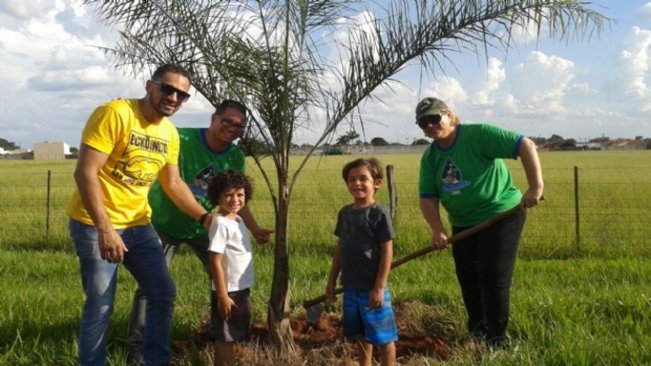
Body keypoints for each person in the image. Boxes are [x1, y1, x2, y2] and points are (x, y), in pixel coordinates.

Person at [66, 63, 213, 365]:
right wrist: (105, 229)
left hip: (138, 225)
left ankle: (154, 360)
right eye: (168, 88)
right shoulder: (115, 113)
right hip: (96, 225)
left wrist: (206, 219)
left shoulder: (168, 133)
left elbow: (173, 184)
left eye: (182, 95)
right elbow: (85, 172)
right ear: (150, 86)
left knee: (161, 292)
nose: (173, 97)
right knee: (101, 304)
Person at [127, 100, 272, 363]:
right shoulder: (180, 137)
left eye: (239, 125)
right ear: (213, 119)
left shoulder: (234, 156)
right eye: (227, 121)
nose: (232, 128)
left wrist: (254, 227)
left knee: (224, 278)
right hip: (164, 223)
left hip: (205, 227)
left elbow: (236, 198)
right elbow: (169, 180)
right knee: (151, 286)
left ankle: (222, 333)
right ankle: (138, 349)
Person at [414, 97, 544, 348]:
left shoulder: (479, 134)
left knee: (492, 275)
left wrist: (535, 188)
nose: (429, 126)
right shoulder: (430, 157)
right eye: (422, 123)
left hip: (501, 214)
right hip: (463, 223)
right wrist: (437, 230)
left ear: (449, 115)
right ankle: (477, 331)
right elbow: (428, 198)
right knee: (467, 276)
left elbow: (525, 145)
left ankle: (497, 340)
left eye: (433, 118)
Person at [326, 158, 398, 366]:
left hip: (372, 288)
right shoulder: (345, 213)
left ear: (376, 183)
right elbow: (340, 249)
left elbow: (387, 252)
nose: (356, 183)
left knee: (384, 338)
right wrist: (332, 280)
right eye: (351, 179)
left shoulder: (378, 214)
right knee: (361, 334)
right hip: (350, 287)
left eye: (363, 179)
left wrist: (379, 287)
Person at [206, 169, 257, 366]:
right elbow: (215, 261)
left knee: (228, 335)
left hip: (239, 288)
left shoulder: (238, 219)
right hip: (229, 291)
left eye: (240, 195)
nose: (234, 199)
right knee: (226, 337)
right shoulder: (220, 223)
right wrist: (222, 296)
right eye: (228, 195)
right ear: (217, 197)